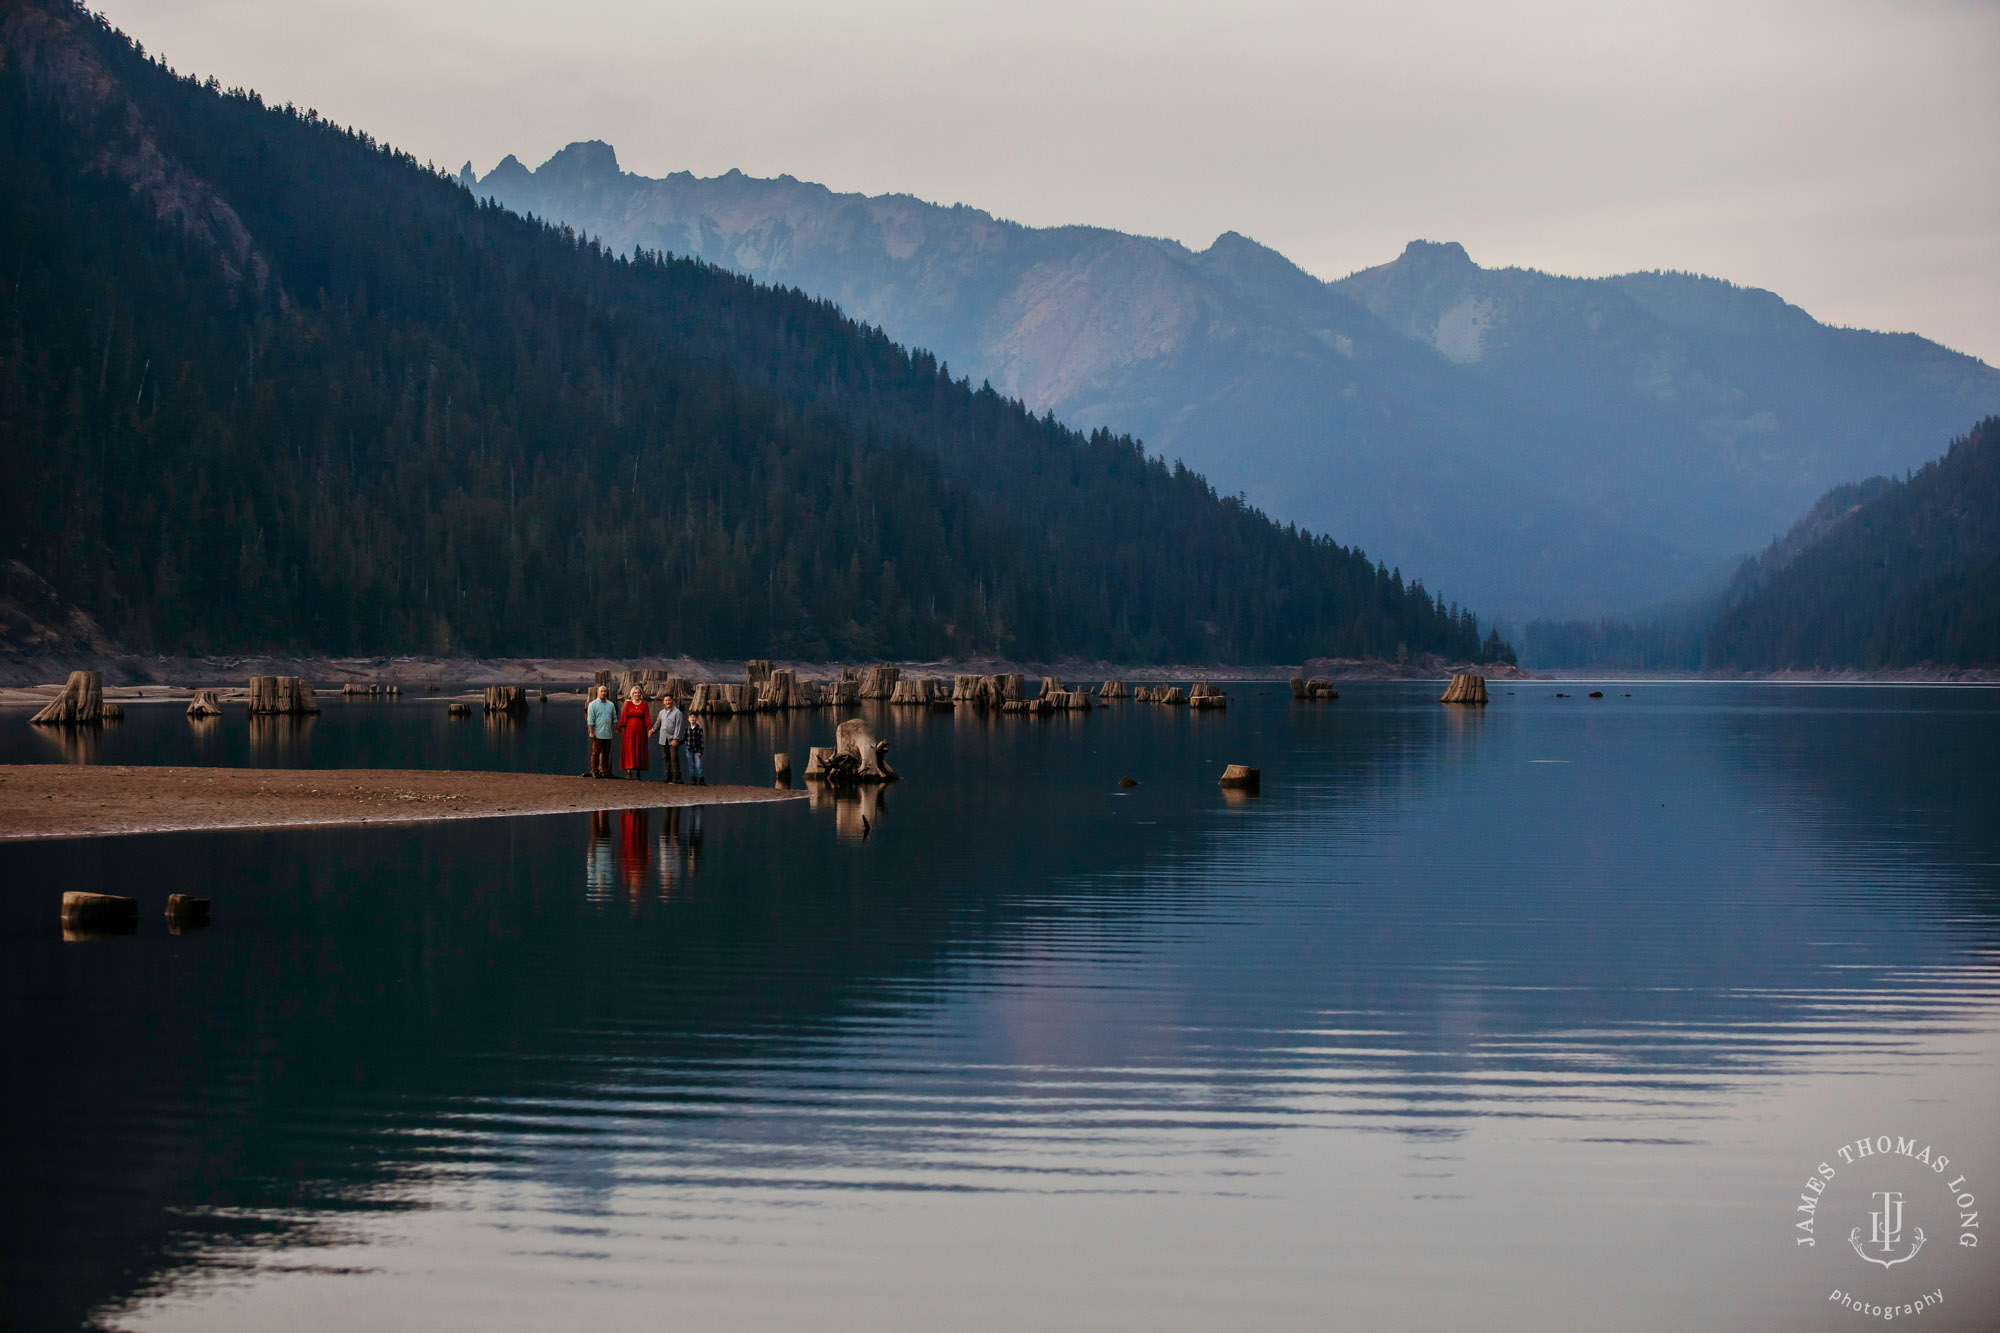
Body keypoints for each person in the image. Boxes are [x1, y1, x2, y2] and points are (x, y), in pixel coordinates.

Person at [618, 686, 652, 780]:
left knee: (639, 749)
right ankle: (629, 771)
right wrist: (620, 727)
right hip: (629, 730)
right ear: (632, 694)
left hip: (641, 731)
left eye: (639, 693)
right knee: (629, 749)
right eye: (635, 693)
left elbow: (647, 718)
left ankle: (638, 771)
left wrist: (650, 729)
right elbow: (624, 716)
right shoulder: (627, 704)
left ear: (641, 694)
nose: (637, 694)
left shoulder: (644, 704)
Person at [653, 692, 687, 783]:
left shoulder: (677, 712)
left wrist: (676, 739)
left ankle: (678, 778)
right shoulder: (661, 713)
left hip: (673, 739)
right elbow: (657, 724)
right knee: (665, 758)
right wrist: (652, 731)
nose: (668, 702)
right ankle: (668, 777)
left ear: (673, 701)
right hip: (663, 739)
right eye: (666, 700)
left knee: (674, 758)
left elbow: (678, 726)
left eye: (669, 700)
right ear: (663, 702)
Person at [585, 684, 616, 779]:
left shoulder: (611, 704)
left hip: (607, 734)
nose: (603, 693)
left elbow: (614, 718)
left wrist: (616, 729)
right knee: (596, 753)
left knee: (606, 753)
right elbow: (590, 720)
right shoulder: (593, 704)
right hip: (597, 733)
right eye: (601, 691)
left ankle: (605, 771)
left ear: (607, 693)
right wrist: (591, 732)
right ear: (598, 692)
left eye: (605, 691)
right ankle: (595, 771)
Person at [684, 713, 705, 785]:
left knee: (698, 765)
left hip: (697, 750)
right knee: (691, 764)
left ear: (696, 719)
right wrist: (678, 743)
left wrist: (700, 751)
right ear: (688, 719)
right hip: (689, 749)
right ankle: (693, 778)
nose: (692, 719)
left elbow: (701, 740)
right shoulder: (687, 729)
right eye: (691, 717)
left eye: (694, 717)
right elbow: (685, 739)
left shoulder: (699, 729)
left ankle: (701, 778)